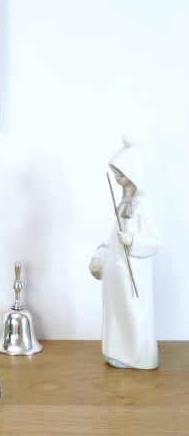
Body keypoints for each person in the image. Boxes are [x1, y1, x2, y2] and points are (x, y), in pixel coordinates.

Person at [89, 134, 162, 369]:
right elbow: (113, 236)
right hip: (117, 273)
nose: (117, 178)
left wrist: (132, 239)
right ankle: (117, 352)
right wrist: (101, 254)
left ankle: (136, 355)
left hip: (133, 274)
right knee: (117, 312)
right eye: (115, 174)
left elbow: (155, 240)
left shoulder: (141, 205)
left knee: (132, 312)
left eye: (120, 173)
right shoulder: (123, 203)